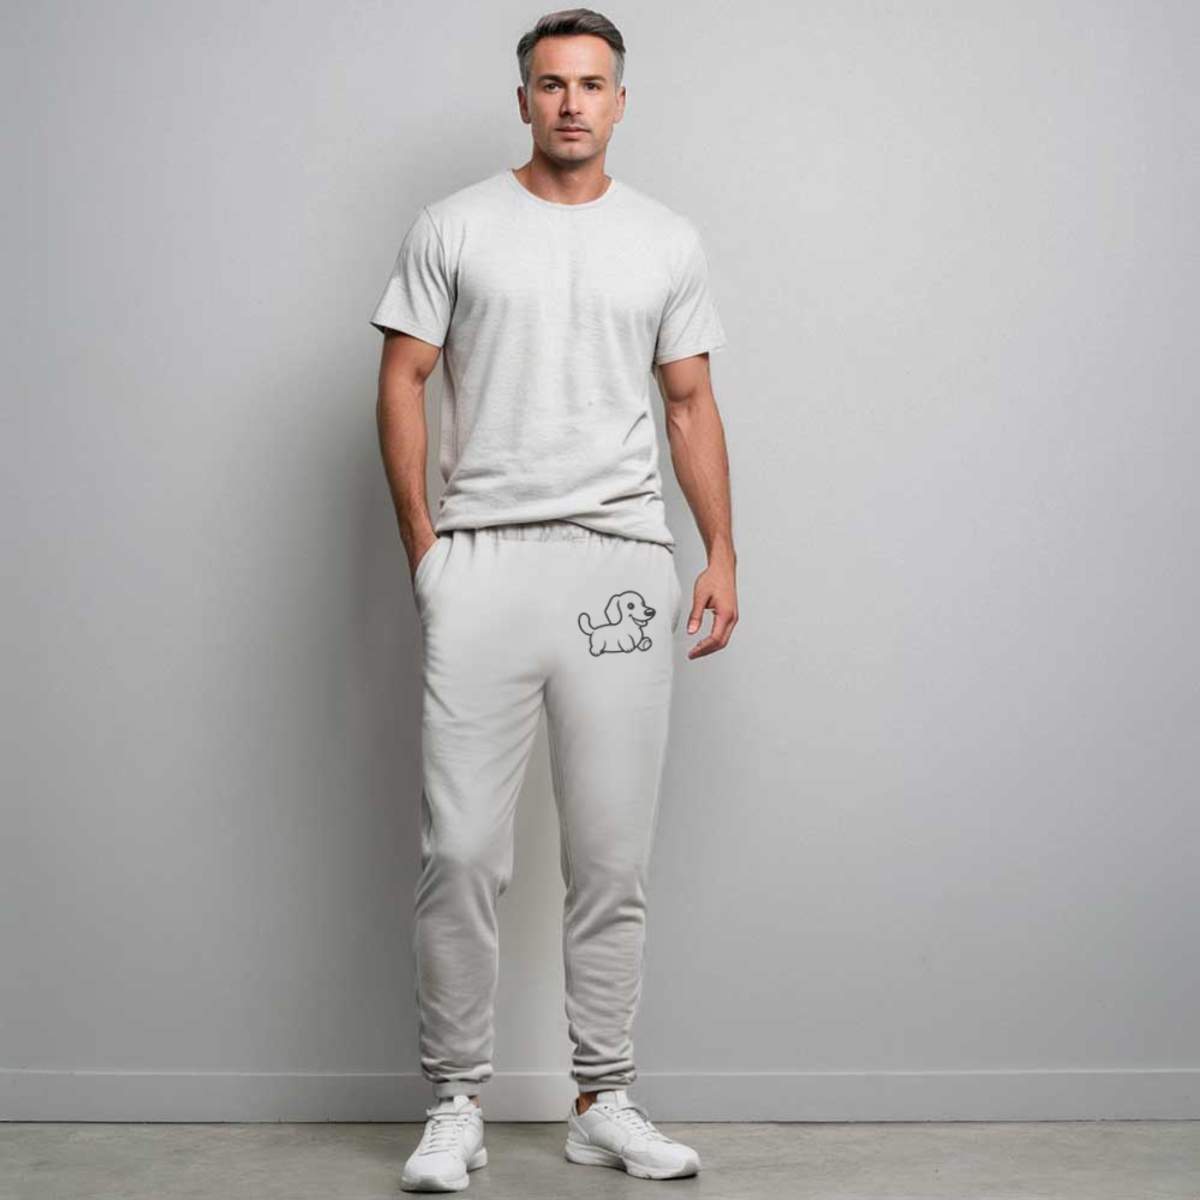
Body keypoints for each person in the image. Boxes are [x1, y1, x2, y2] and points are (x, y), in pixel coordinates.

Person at [370, 8, 738, 1191]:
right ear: (523, 99)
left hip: (618, 563)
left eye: (590, 84)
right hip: (483, 560)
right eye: (550, 84)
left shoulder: (665, 239)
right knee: (462, 851)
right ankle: (455, 1104)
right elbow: (402, 379)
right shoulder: (455, 226)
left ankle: (602, 1100)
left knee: (611, 858)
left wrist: (722, 551)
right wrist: (425, 549)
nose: (571, 102)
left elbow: (689, 403)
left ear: (620, 100)